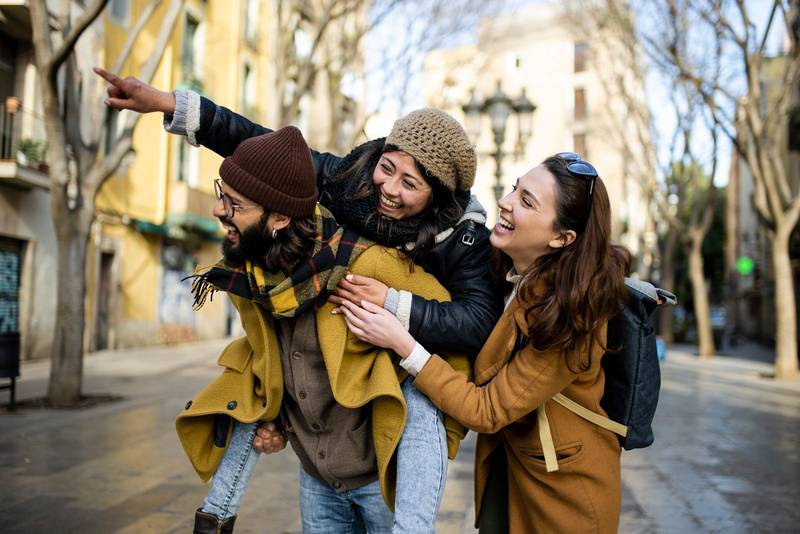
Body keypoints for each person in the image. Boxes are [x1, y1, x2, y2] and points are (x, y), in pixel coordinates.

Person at [94, 66, 503, 532]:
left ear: (438, 194)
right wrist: (170, 104)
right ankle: (218, 512)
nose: (389, 189)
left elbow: (477, 322)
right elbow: (262, 149)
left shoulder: (461, 239)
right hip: (326, 448)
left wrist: (393, 303)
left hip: (396, 397)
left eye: (410, 184)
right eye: (387, 168)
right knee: (264, 360)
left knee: (419, 396)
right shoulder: (350, 178)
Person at [169, 126, 469, 533]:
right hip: (317, 478)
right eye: (222, 194)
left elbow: (458, 337)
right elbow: (266, 364)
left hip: (380, 480)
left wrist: (430, 448)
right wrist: (276, 420)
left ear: (279, 217)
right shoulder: (254, 277)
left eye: (234, 204)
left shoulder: (368, 264)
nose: (219, 210)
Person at [338, 153, 630, 533]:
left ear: (562, 238)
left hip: (563, 495)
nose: (505, 203)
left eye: (527, 201)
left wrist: (403, 344)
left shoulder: (574, 318)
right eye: (515, 189)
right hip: (511, 471)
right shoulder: (510, 271)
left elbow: (487, 409)